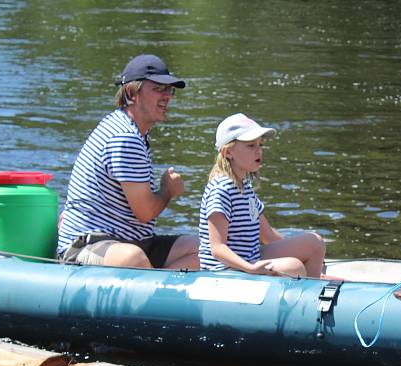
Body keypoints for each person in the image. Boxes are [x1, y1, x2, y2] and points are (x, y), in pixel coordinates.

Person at [56, 54, 199, 269]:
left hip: (132, 241)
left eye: (170, 90)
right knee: (132, 258)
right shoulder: (124, 137)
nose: (167, 96)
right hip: (88, 246)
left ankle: (156, 288)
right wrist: (168, 190)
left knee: (205, 250)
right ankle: (155, 292)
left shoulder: (134, 131)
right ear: (133, 93)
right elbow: (145, 212)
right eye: (158, 89)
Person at [198, 113, 326, 278]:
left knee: (314, 242)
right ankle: (307, 292)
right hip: (225, 272)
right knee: (293, 267)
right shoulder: (221, 190)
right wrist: (250, 268)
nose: (259, 151)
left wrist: (307, 256)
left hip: (250, 260)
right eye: (251, 146)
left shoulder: (245, 188)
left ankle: (315, 286)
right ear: (228, 152)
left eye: (261, 145)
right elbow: (218, 249)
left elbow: (269, 236)